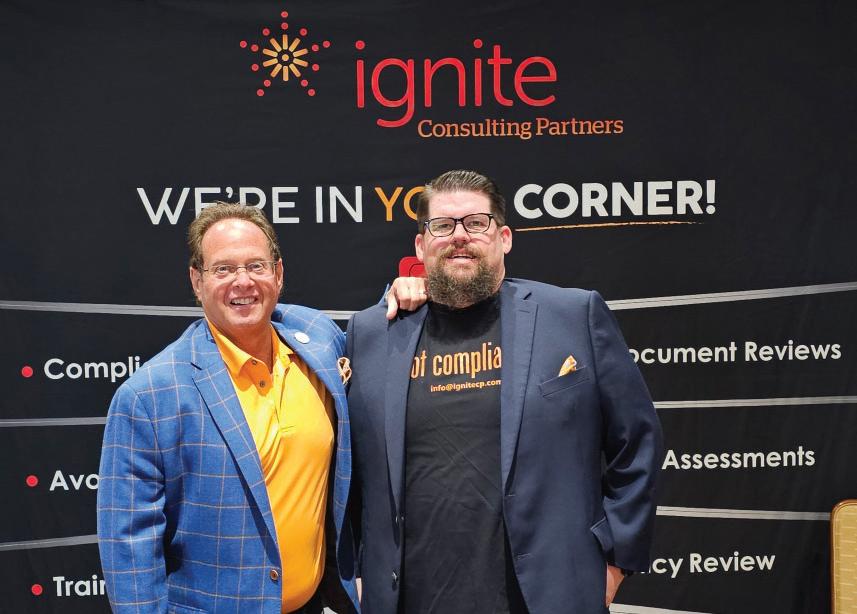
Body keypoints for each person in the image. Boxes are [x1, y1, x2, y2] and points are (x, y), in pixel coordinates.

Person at [346, 170, 664, 614]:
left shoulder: (573, 316)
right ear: (420, 245)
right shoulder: (371, 333)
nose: (460, 236)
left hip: (547, 598)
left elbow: (639, 442)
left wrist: (614, 565)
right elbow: (346, 468)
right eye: (443, 225)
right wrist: (356, 573)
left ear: (505, 237)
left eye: (477, 223)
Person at [97, 202, 422, 613]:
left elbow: (377, 342)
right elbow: (129, 550)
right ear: (197, 281)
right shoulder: (149, 396)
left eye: (256, 266)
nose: (243, 282)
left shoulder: (318, 339)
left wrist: (403, 291)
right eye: (223, 269)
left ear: (278, 274)